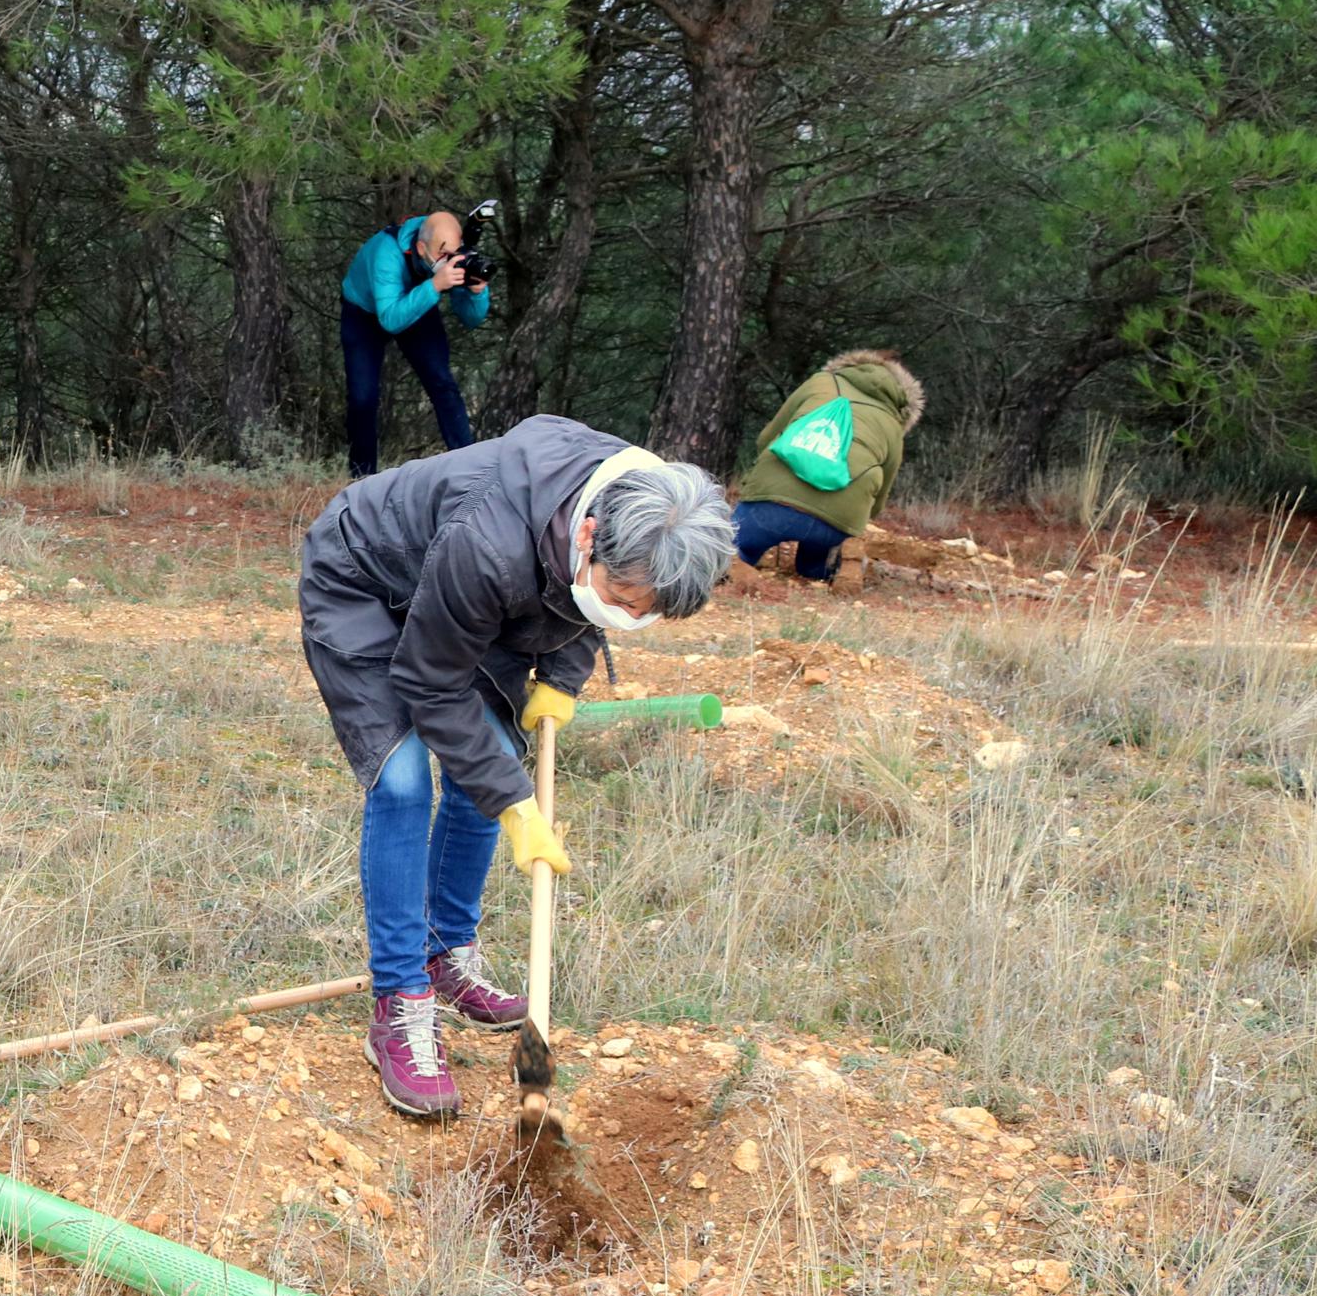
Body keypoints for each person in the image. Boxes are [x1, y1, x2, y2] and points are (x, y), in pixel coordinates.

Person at [298, 419, 733, 1119]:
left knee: (493, 761)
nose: (627, 617)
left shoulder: (646, 498)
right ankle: (401, 1000)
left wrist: (562, 673)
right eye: (622, 600)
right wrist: (516, 803)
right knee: (406, 775)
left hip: (479, 603)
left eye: (643, 615)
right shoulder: (489, 540)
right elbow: (429, 681)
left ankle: (446, 956)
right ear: (589, 536)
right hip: (364, 579)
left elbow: (584, 607)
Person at [733, 349, 924, 584]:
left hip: (770, 506)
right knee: (814, 565)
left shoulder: (820, 383)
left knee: (736, 548)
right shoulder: (893, 423)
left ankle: (736, 565)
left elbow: (765, 438)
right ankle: (831, 566)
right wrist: (851, 522)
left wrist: (755, 484)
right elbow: (881, 494)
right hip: (835, 522)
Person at [340, 206, 491, 478]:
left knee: (442, 382)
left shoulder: (449, 253)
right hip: (365, 312)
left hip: (417, 298)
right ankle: (361, 478)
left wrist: (476, 292)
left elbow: (471, 319)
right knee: (363, 397)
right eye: (443, 255)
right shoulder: (386, 253)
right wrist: (435, 285)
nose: (449, 260)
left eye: (453, 254)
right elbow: (390, 319)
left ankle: (470, 473)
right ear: (421, 248)